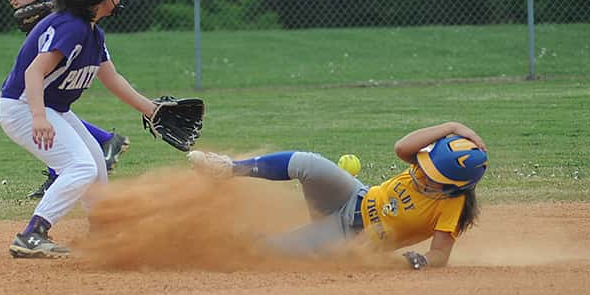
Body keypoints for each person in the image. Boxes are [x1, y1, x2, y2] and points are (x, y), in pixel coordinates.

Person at [0, 0, 157, 258]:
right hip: (23, 106)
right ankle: (32, 235)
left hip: (51, 108)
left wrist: (151, 110)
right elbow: (34, 72)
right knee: (80, 166)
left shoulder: (92, 32)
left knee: (96, 160)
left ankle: (103, 231)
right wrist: (37, 117)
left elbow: (111, 77)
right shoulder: (71, 27)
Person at [188, 121, 488, 269]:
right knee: (308, 162)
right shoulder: (425, 166)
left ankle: (217, 247)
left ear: (454, 185)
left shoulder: (451, 205)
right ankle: (228, 168)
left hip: (348, 236)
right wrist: (452, 127)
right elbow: (402, 147)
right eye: (426, 164)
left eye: (433, 174)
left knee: (267, 251)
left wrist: (414, 260)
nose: (423, 172)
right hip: (351, 195)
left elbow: (440, 255)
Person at [7, 0, 129, 199]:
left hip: (73, 30)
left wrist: (54, 20)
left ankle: (81, 156)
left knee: (45, 99)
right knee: (47, 98)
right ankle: (95, 146)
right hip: (59, 23)